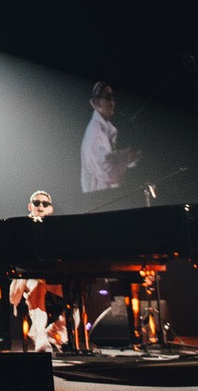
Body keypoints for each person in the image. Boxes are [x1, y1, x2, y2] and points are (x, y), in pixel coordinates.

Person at [7, 190, 69, 353]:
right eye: (37, 203)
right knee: (36, 286)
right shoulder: (21, 228)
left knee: (77, 293)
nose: (41, 206)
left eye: (45, 204)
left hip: (52, 276)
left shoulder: (57, 229)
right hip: (26, 277)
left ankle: (55, 330)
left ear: (50, 209)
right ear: (30, 206)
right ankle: (40, 336)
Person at [80, 81, 140, 193]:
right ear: (96, 103)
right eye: (107, 98)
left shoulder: (107, 129)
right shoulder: (95, 135)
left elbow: (112, 161)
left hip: (107, 193)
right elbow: (110, 175)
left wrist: (130, 157)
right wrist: (125, 158)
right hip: (99, 196)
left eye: (112, 98)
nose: (112, 103)